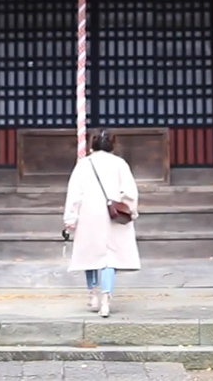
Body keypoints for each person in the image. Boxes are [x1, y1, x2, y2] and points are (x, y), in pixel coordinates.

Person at [63, 129, 140, 317]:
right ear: (112, 144)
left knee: (90, 253)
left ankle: (93, 295)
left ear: (93, 145)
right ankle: (106, 299)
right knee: (109, 257)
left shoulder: (83, 165)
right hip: (111, 214)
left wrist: (71, 217)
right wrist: (130, 210)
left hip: (89, 213)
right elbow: (129, 192)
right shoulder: (119, 164)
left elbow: (75, 194)